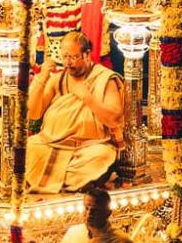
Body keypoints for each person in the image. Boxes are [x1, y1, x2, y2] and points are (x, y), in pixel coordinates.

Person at [25, 33, 125, 192]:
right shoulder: (58, 79)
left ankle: (61, 179)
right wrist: (41, 77)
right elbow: (34, 114)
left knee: (102, 156)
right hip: (51, 144)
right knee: (30, 146)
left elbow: (114, 119)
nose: (68, 63)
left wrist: (87, 97)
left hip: (88, 148)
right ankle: (68, 181)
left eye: (73, 57)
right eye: (65, 57)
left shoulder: (104, 78)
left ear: (87, 55)